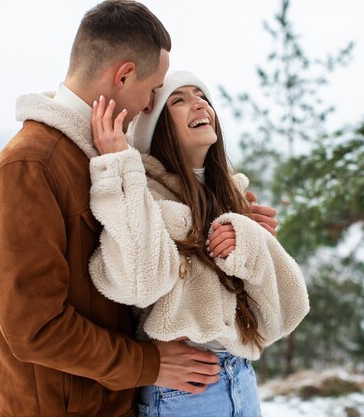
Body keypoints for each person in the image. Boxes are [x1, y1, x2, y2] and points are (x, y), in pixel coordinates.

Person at [0, 2, 279, 416]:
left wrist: (235, 229)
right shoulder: (32, 167)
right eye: (153, 91)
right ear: (123, 75)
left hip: (118, 403)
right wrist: (148, 364)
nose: (149, 105)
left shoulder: (106, 154)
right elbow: (34, 328)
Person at [88, 70, 310, 417]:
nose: (199, 104)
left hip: (241, 377)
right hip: (183, 391)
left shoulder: (233, 197)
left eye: (202, 96)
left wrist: (255, 244)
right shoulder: (143, 193)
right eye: (179, 99)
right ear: (157, 126)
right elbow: (138, 284)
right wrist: (117, 164)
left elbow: (284, 313)